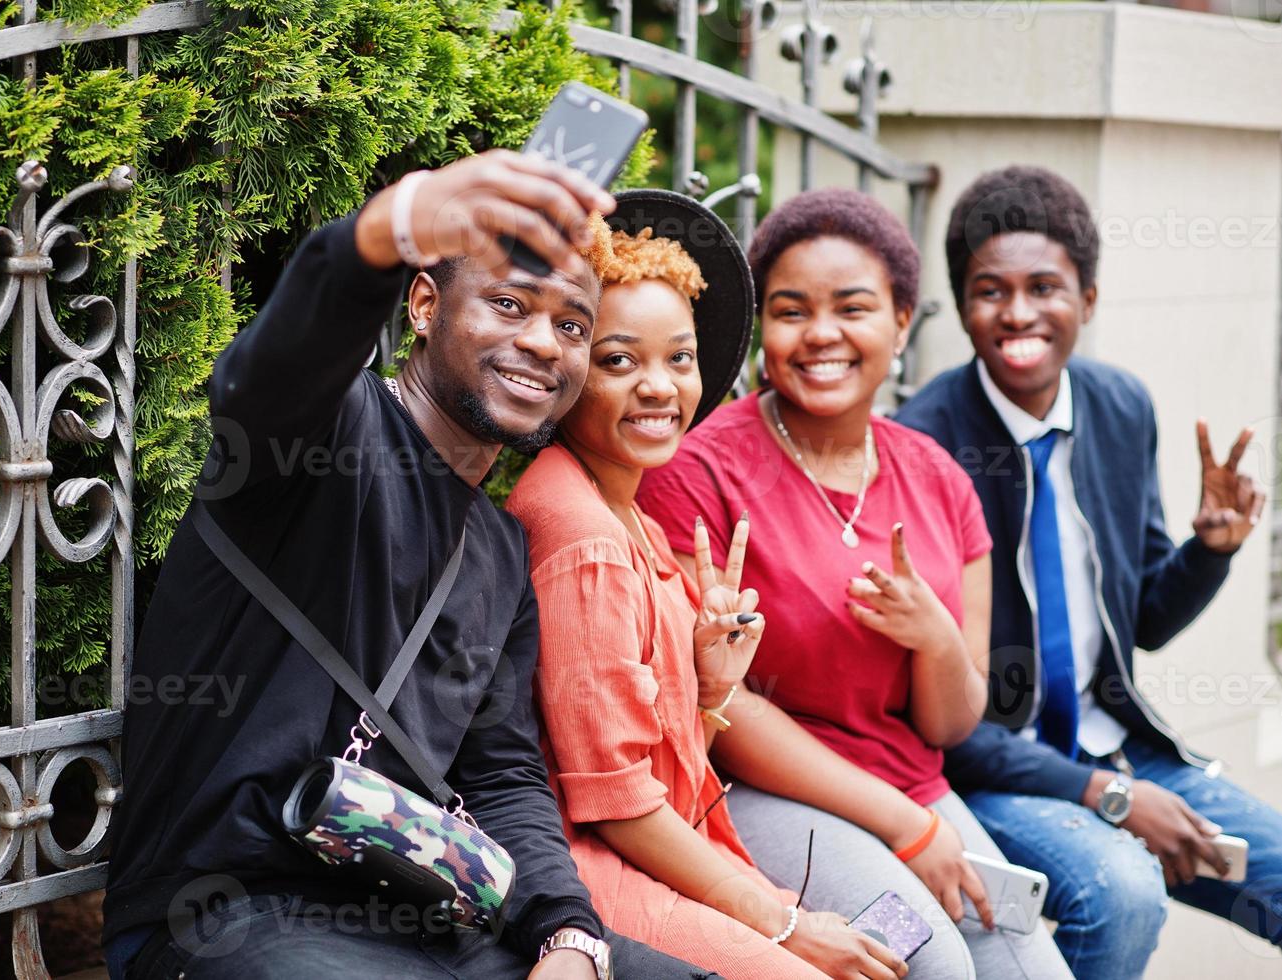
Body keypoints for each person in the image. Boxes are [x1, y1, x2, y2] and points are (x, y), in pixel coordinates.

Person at [102, 150, 721, 980]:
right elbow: (277, 362)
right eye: (507, 304)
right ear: (424, 305)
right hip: (229, 917)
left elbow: (500, 776)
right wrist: (386, 232)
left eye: (572, 325)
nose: (541, 342)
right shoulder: (318, 437)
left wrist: (566, 936)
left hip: (426, 912)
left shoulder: (499, 552)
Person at [637, 188, 1074, 979]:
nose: (822, 335)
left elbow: (949, 722)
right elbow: (718, 697)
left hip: (915, 786)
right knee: (929, 963)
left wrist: (935, 637)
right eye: (791, 310)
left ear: (901, 323)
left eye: (853, 307)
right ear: (761, 327)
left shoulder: (938, 478)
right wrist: (907, 828)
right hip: (760, 793)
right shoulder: (697, 472)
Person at [508, 191, 909, 980]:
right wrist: (781, 923)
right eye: (619, 360)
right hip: (587, 875)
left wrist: (708, 684)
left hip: (658, 846)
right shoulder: (583, 533)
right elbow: (614, 805)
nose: (658, 387)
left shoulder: (633, 517)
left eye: (679, 359)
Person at [896, 164, 1281, 978]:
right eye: (989, 290)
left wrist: (1209, 550)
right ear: (962, 307)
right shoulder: (922, 443)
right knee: (1120, 894)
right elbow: (943, 723)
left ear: (1089, 300)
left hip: (1119, 749)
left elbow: (1141, 618)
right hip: (995, 770)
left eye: (1045, 286)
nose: (1019, 313)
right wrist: (1106, 801)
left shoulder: (1119, 406)